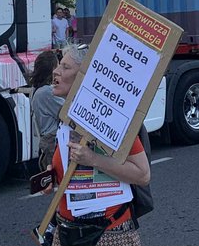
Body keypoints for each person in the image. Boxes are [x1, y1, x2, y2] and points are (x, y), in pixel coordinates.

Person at [46, 44, 150, 246]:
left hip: (109, 235)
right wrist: (53, 176)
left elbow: (142, 174)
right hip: (66, 232)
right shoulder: (68, 119)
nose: (56, 71)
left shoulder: (110, 119)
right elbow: (73, 170)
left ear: (85, 76)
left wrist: (93, 159)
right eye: (59, 65)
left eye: (65, 67)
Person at [30, 50, 63, 170]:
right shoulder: (47, 92)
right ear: (52, 69)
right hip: (52, 141)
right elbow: (66, 111)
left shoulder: (36, 89)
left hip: (46, 139)